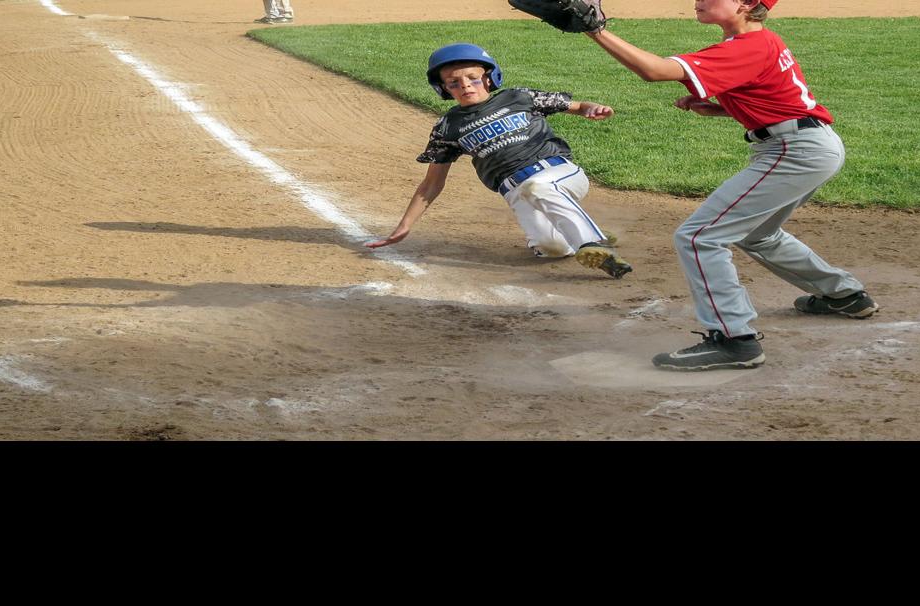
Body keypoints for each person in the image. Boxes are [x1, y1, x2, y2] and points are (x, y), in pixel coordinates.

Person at [579, 0, 874, 371]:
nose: (698, 0)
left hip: (793, 151)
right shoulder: (762, 41)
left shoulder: (747, 45)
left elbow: (653, 70)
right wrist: (722, 108)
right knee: (758, 235)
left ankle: (735, 339)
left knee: (699, 236)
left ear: (747, 3)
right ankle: (844, 295)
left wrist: (595, 30)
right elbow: (779, 100)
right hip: (809, 145)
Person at [365, 43, 632, 280]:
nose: (465, 86)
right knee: (552, 249)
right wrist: (404, 226)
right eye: (453, 83)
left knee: (537, 187)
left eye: (474, 78)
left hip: (558, 173)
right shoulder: (448, 127)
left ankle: (594, 242)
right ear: (443, 89)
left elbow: (577, 105)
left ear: (490, 79)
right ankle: (576, 230)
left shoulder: (517, 97)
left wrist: (593, 109)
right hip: (516, 192)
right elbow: (431, 184)